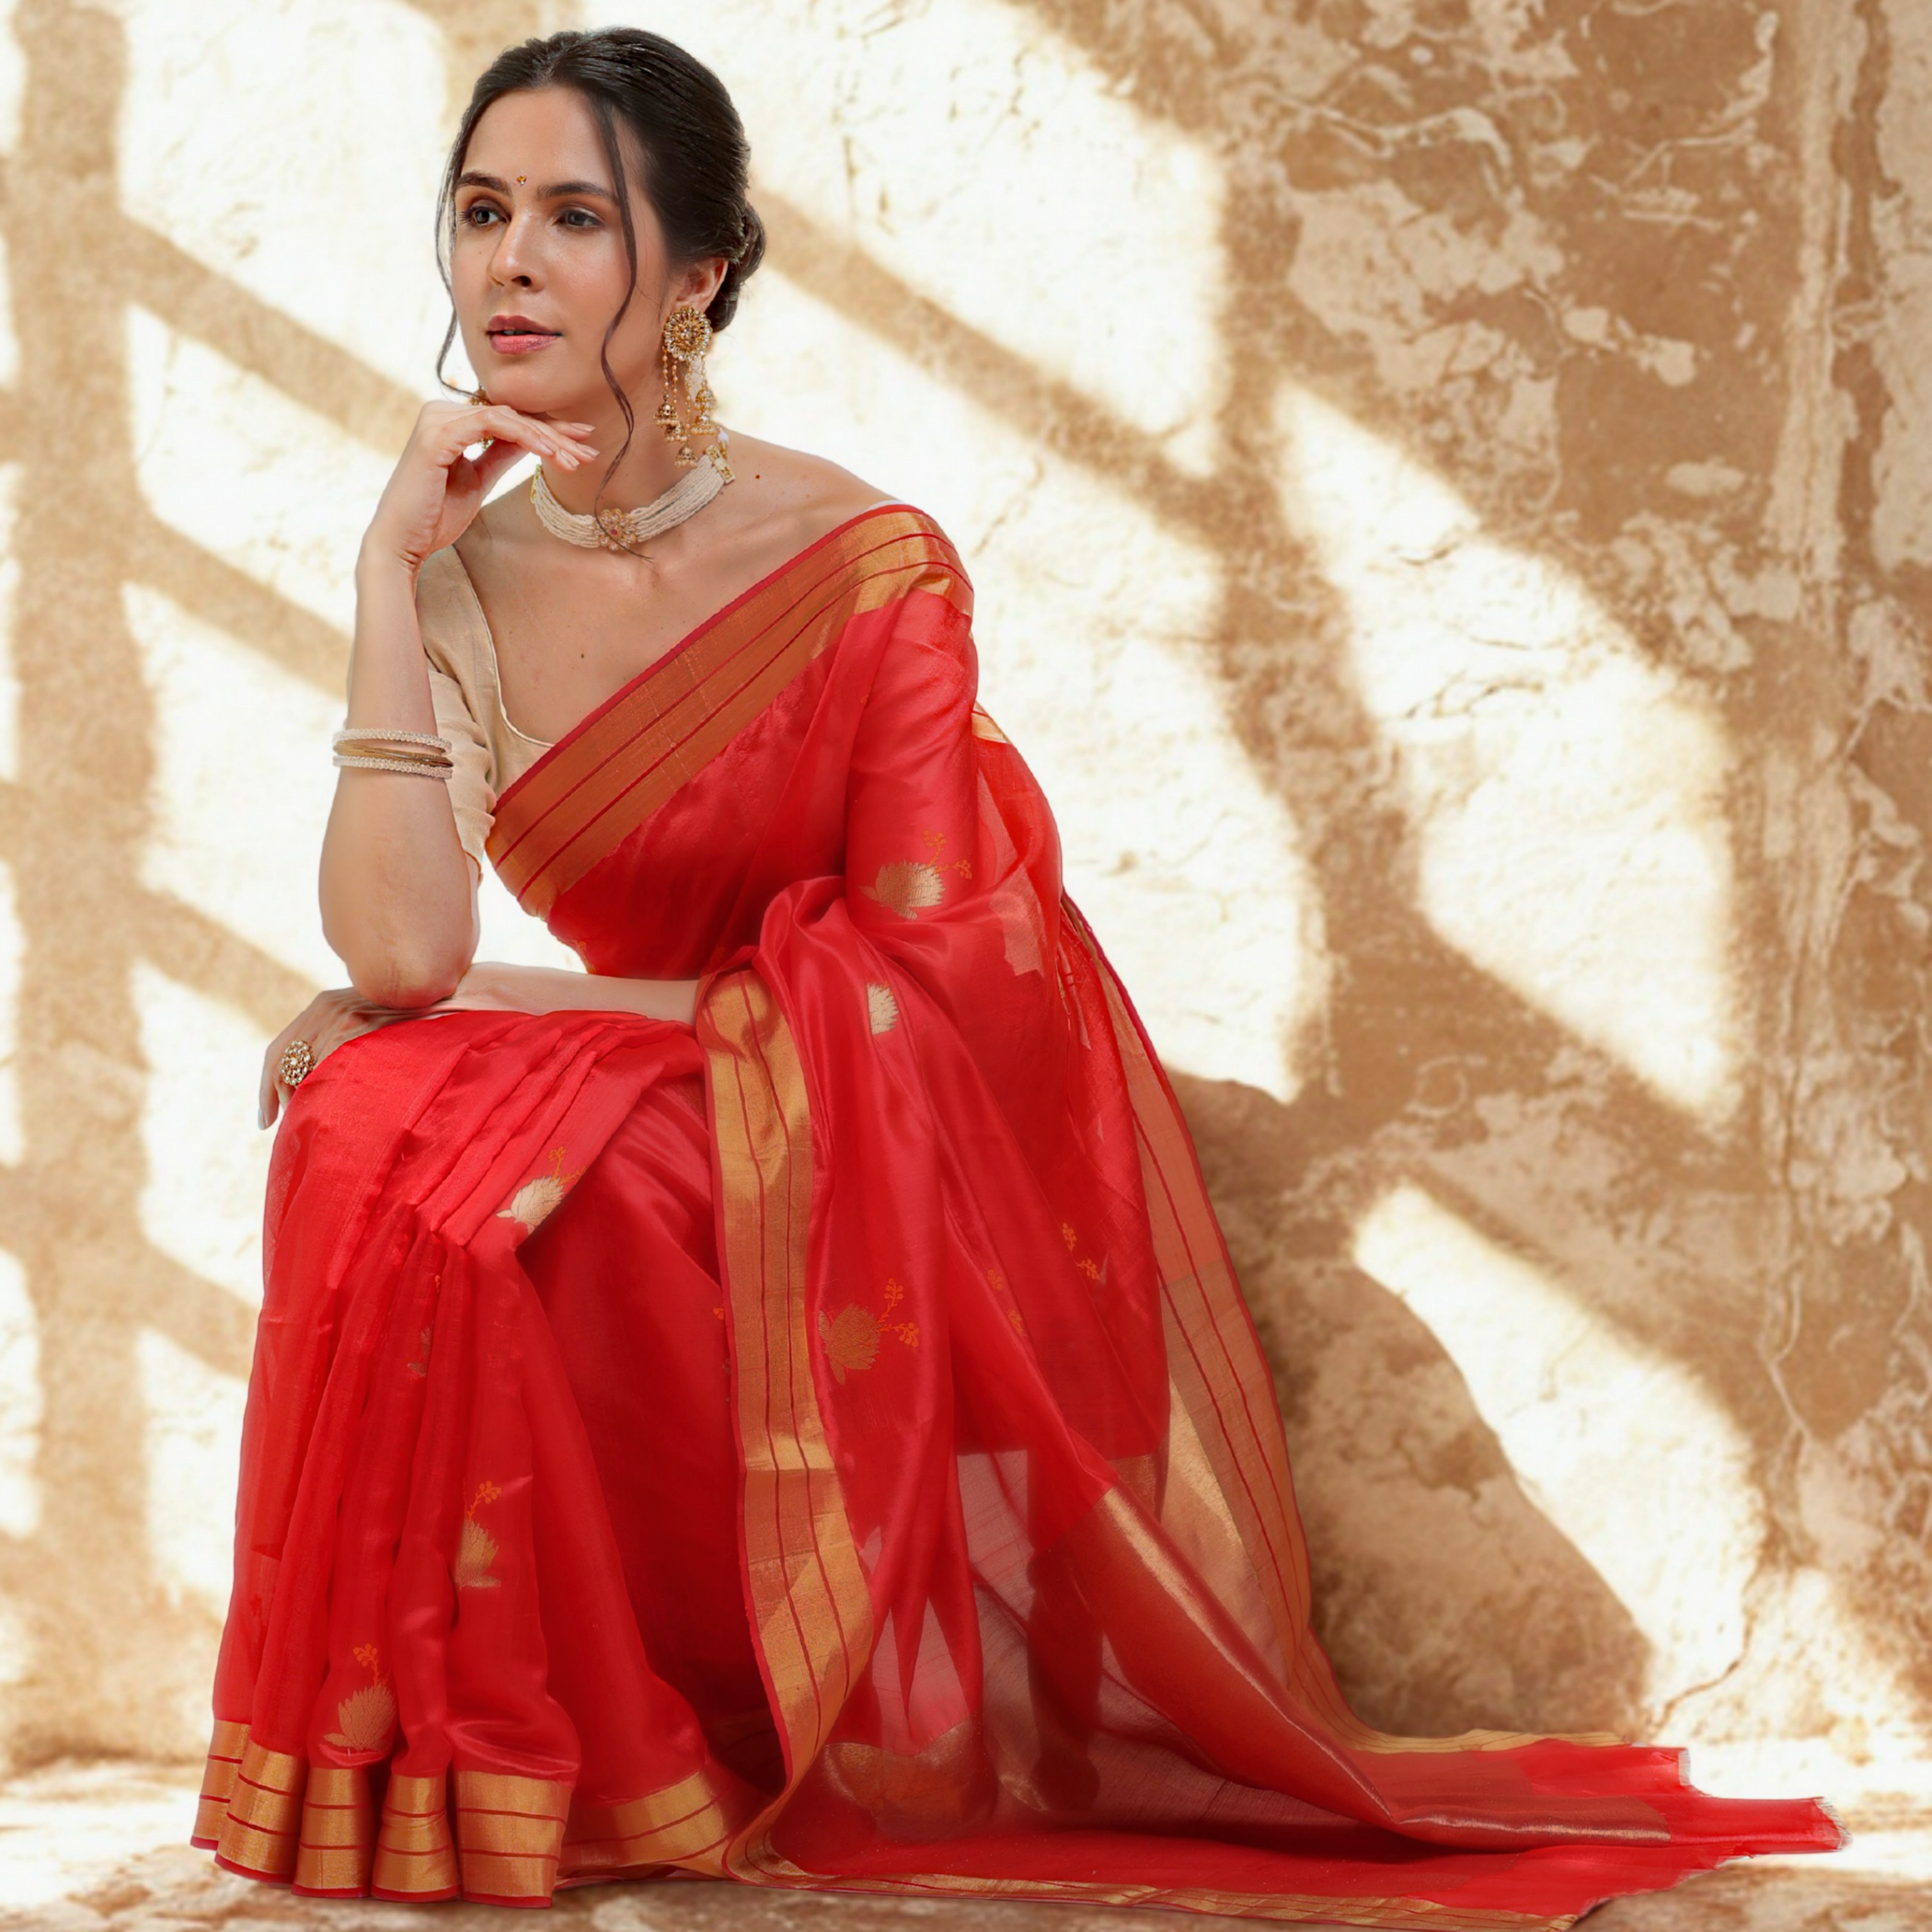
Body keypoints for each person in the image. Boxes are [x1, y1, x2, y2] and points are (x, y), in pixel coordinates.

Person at [190, 26, 1842, 1926]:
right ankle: (461, 1757)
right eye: (483, 213)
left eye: (577, 217)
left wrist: (493, 1009)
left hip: (911, 1111)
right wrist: (388, 572)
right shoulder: (468, 584)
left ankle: (664, 1730)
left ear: (703, 270)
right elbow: (397, 952)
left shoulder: (863, 561)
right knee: (376, 1110)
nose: (510, 265)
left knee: (489, 1113)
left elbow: (920, 984)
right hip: (686, 1069)